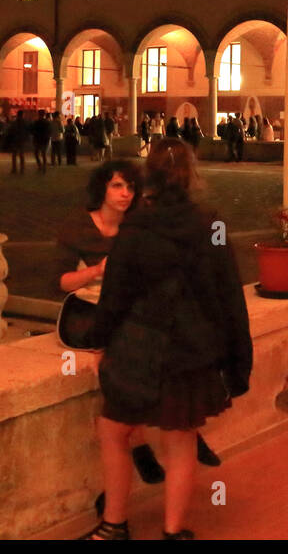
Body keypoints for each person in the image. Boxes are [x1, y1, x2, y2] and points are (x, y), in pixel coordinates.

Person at [85, 139, 252, 540]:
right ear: (192, 175)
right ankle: (173, 530)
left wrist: (98, 342)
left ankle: (114, 524)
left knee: (114, 432)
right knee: (180, 441)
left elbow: (115, 295)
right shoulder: (210, 225)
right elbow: (229, 293)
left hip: (139, 346)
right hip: (191, 351)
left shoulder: (136, 227)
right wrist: (237, 358)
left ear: (149, 177)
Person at [59, 160, 222, 517]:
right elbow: (63, 282)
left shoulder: (138, 228)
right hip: (89, 315)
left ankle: (152, 449)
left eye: (130, 188)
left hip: (128, 317)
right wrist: (97, 270)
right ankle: (147, 447)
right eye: (117, 186)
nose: (124, 194)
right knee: (115, 365)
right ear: (101, 188)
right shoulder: (80, 227)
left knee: (142, 361)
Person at [8, 110, 30, 174]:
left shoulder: (14, 122)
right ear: (22, 115)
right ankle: (22, 169)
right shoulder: (25, 122)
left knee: (14, 155)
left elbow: (11, 131)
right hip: (22, 140)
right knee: (21, 155)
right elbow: (27, 131)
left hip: (15, 140)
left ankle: (14, 168)